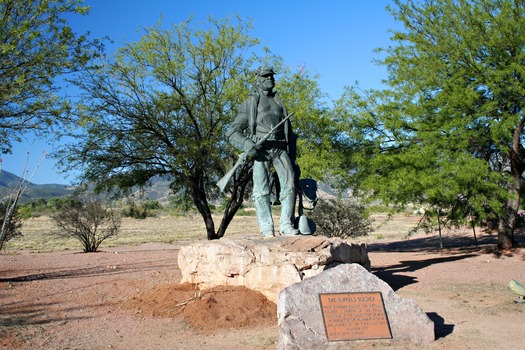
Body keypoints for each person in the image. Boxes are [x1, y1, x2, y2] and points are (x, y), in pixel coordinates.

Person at [226, 66, 300, 238]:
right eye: (265, 76)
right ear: (258, 79)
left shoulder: (279, 102)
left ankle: (286, 225)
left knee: (290, 184)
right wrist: (246, 144)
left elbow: (291, 133)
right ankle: (266, 228)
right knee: (261, 190)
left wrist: (293, 156)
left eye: (271, 76)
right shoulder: (251, 103)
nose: (270, 79)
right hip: (262, 151)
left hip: (281, 149)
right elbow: (231, 131)